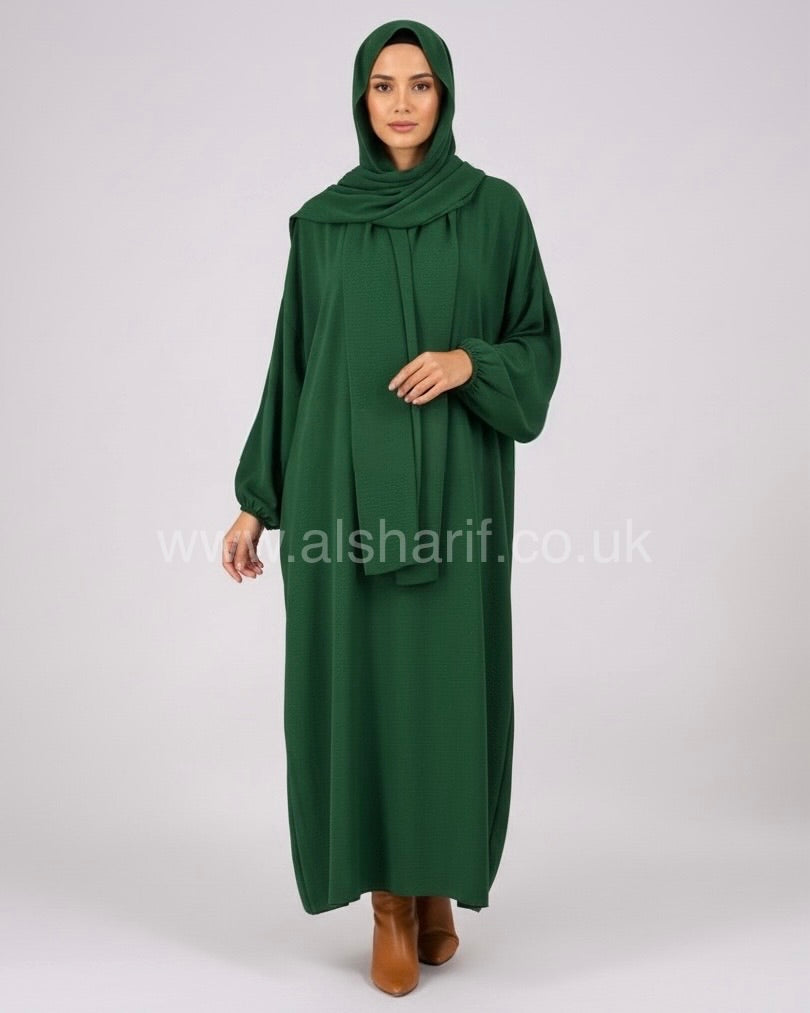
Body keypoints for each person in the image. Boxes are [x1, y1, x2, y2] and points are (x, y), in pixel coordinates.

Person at [222, 19, 562, 997]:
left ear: (444, 96)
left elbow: (536, 342)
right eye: (383, 85)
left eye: (419, 84)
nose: (402, 102)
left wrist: (467, 362)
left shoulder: (494, 212)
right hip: (339, 497)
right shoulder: (324, 225)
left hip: (456, 499)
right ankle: (389, 905)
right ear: (361, 99)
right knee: (364, 693)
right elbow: (294, 367)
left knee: (445, 694)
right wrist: (256, 501)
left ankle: (438, 880)